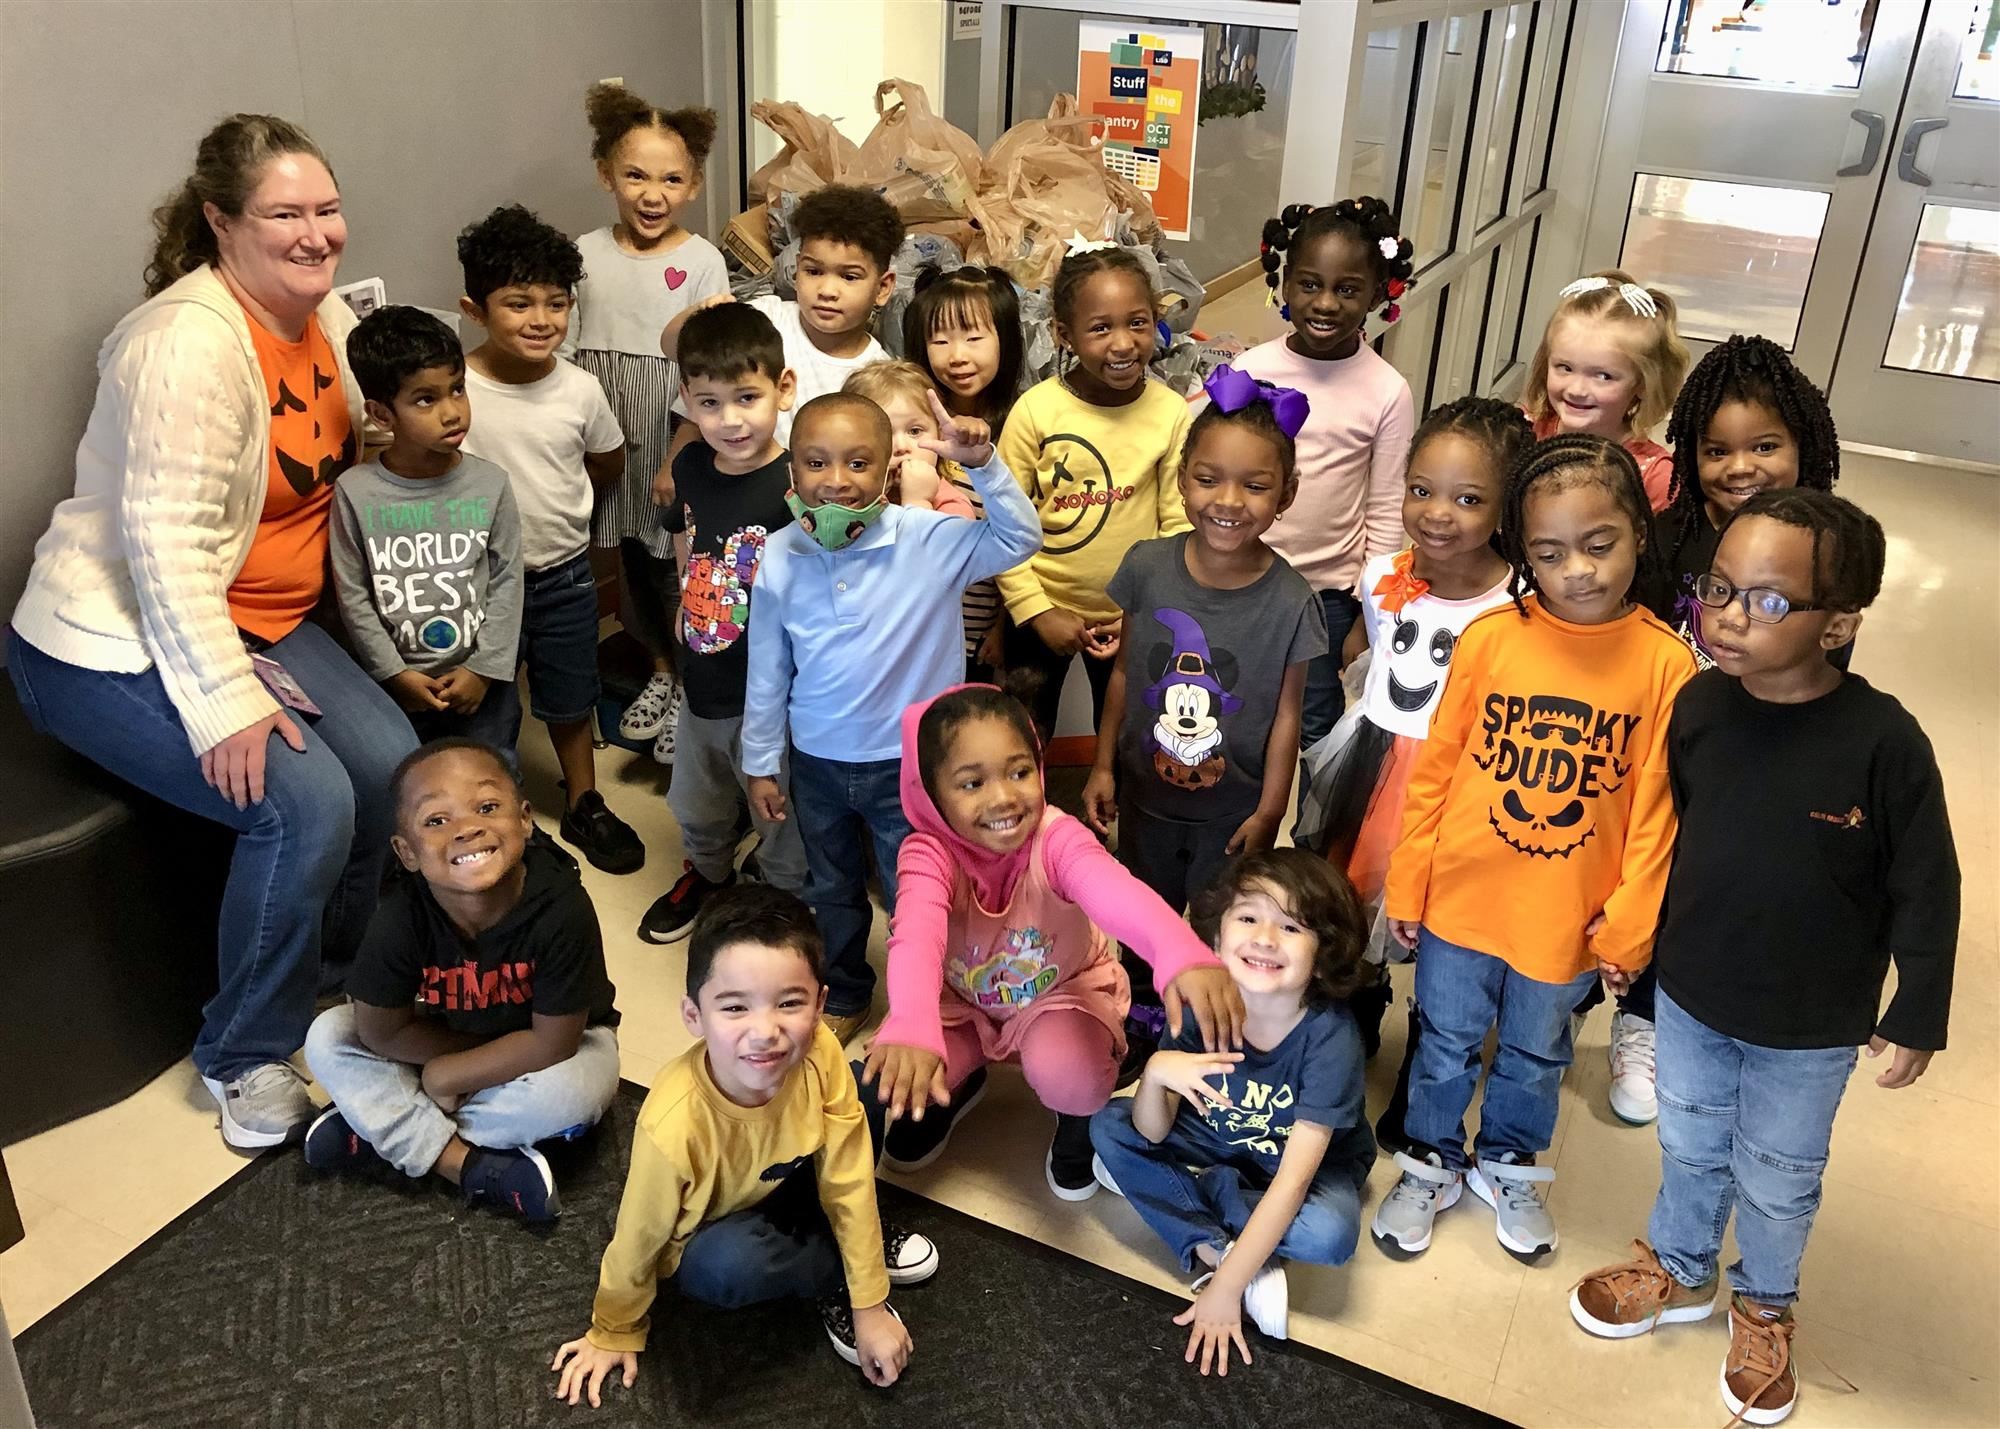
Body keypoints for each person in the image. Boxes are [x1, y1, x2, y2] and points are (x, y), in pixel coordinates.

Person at [5, 114, 418, 1150]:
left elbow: (302, 460)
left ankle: (333, 988)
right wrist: (225, 699)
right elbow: (165, 550)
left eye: (326, 209)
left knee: (390, 764)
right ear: (220, 221)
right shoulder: (183, 345)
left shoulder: (313, 320)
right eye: (286, 213)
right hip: (113, 640)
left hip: (254, 613)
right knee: (304, 805)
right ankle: (241, 1053)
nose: (318, 233)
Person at [1570, 490, 1959, 1426]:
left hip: (1811, 1023)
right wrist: (1640, 951)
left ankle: (1767, 1301)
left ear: (1841, 625)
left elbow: (1928, 884)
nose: (1731, 615)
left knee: (1780, 1174)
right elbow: (1675, 840)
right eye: (1721, 588)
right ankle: (1681, 1264)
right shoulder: (1700, 705)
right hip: (1696, 994)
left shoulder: (1884, 742)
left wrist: (1918, 1012)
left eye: (1771, 602)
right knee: (1690, 1143)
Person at [1370, 435, 1695, 1263]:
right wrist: (1407, 885)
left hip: (1569, 914)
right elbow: (1435, 771)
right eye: (1549, 553)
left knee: (1536, 1049)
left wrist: (1630, 926)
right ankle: (1429, 1161)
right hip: (1462, 898)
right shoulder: (1490, 639)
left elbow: (1659, 811)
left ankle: (1510, 1161)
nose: (1577, 570)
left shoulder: (1666, 664)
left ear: (1639, 536)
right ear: (1524, 552)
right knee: (1442, 1037)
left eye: (1599, 544)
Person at [1592, 333, 1849, 1128]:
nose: (1741, 467)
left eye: (1765, 445)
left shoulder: (1830, 545)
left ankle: (1673, 1021)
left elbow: (1829, 664)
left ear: (1804, 445)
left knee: (1714, 887)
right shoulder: (1670, 536)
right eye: (1717, 449)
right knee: (1642, 875)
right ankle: (1621, 1006)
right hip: (1662, 752)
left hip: (1759, 756)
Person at [550, 886, 939, 1407]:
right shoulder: (672, 1124)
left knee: (865, 1084)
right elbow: (637, 1235)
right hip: (728, 1221)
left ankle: (853, 1256)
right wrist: (612, 1328)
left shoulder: (819, 1047)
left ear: (821, 1004)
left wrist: (872, 1304)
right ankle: (832, 1268)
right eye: (734, 1007)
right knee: (722, 1268)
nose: (766, 1032)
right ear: (694, 1016)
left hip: (793, 1170)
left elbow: (847, 1173)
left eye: (790, 1003)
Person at [742, 392, 1041, 1043]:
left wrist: (984, 464)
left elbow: (1021, 537)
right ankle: (847, 988)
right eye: (816, 462)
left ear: (887, 470)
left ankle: (929, 995)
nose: (836, 479)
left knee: (920, 896)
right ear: (790, 472)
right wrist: (761, 761)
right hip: (818, 763)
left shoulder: (927, 539)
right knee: (832, 889)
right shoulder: (778, 556)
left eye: (858, 462)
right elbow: (767, 670)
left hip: (909, 767)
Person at [863, 686, 1240, 1199]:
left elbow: (1113, 891)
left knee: (1072, 1073)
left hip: (1059, 995)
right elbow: (914, 933)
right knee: (894, 1073)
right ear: (930, 792)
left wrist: (1178, 948)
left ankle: (1077, 1119)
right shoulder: (927, 853)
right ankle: (959, 1082)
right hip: (961, 1004)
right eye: (971, 783)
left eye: (1019, 772)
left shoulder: (1057, 837)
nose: (1002, 798)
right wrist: (910, 1022)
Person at [1296, 396, 1531, 1143]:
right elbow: (1368, 659)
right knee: (1352, 900)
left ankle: (1426, 1069)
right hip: (1371, 766)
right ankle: (1354, 1017)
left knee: (1441, 926)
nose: (1437, 513)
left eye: (1468, 498)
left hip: (1460, 784)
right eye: (1422, 490)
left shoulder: (1517, 599)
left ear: (1507, 506)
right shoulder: (1380, 574)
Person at [1081, 371, 1326, 1069]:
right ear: (1182, 480)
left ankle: (1211, 1025)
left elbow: (1286, 715)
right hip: (1146, 795)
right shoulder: (1147, 567)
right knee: (1140, 915)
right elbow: (1125, 674)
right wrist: (1101, 764)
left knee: (1219, 921)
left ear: (1286, 495)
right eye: (1209, 479)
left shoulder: (1290, 599)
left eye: (1254, 485)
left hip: (1231, 809)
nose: (1228, 501)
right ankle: (1136, 1015)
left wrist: (1271, 807)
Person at [301, 740, 621, 1221]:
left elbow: (553, 1043)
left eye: (487, 807)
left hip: (553, 1048)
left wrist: (448, 1075)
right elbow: (380, 1032)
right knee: (327, 1038)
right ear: (407, 852)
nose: (467, 828)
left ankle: (379, 1129)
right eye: (436, 820)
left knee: (574, 1095)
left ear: (525, 820)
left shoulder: (563, 907)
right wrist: (454, 1063)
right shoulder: (398, 916)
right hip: (444, 1034)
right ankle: (465, 1165)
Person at [1091, 850, 1376, 1367]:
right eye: (1248, 918)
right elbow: (1150, 1131)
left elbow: (1292, 1184)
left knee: (1331, 1235)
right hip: (1214, 1134)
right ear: (1217, 936)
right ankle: (1213, 1245)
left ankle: (1208, 1206)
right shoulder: (1201, 998)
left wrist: (1224, 1292)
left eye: (1291, 927)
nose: (1264, 939)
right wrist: (1157, 1073)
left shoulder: (1332, 1037)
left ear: (1324, 952)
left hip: (1297, 1166)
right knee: (1108, 1129)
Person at [455, 204, 644, 875]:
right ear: (474, 309)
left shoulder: (580, 388)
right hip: (480, 587)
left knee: (570, 698)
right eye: (518, 303)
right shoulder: (455, 388)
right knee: (492, 715)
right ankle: (508, 821)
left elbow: (608, 459)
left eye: (555, 303)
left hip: (563, 575)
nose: (541, 319)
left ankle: (584, 800)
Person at [636, 302, 809, 945]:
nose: (729, 420)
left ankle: (782, 895)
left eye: (746, 397)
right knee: (696, 802)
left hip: (775, 698)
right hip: (703, 681)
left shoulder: (799, 481)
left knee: (780, 815)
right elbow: (687, 535)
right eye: (709, 403)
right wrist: (686, 596)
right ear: (687, 398)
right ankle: (709, 873)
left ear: (782, 390)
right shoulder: (688, 468)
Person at [571, 84, 727, 763]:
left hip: (671, 429)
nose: (652, 192)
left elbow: (708, 374)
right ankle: (660, 670)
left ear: (693, 185)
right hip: (609, 426)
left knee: (673, 565)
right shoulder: (583, 253)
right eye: (635, 174)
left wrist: (674, 456)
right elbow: (571, 354)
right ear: (606, 172)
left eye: (671, 178)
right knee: (630, 558)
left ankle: (691, 685)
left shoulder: (702, 262)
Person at [1238, 197, 1417, 747]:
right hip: (1244, 580)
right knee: (1235, 711)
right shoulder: (1250, 371)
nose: (1326, 303)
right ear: (1285, 283)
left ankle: (1315, 836)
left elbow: (1386, 511)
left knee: (1316, 726)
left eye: (1347, 289)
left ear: (1379, 292)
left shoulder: (1387, 390)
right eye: (1311, 284)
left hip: (1328, 599)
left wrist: (1370, 615)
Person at [995, 243, 1192, 741]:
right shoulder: (1035, 412)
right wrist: (1036, 611)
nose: (1123, 344)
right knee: (1023, 739)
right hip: (1042, 612)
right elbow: (1003, 525)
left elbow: (1178, 526)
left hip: (1131, 618)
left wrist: (1143, 616)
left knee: (1131, 740)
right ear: (1064, 335)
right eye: (1101, 328)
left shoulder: (1170, 413)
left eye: (1138, 323)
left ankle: (1112, 815)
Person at [331, 306, 523, 757]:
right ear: (381, 414)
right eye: (425, 399)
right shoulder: (355, 492)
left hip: (480, 680)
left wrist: (485, 669)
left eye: (457, 390)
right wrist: (393, 674)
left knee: (493, 771)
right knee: (413, 788)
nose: (451, 412)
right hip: (399, 682)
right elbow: (353, 595)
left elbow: (507, 580)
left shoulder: (490, 484)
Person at [661, 184, 901, 447]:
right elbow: (675, 348)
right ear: (797, 268)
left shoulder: (879, 376)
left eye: (849, 277)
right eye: (814, 271)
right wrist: (702, 315)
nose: (827, 291)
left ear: (883, 287)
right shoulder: (766, 318)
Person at [903, 264, 1027, 680]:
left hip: (980, 635)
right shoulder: (914, 429)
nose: (958, 356)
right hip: (914, 628)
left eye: (974, 338)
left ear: (1005, 341)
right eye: (940, 340)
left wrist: (1001, 625)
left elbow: (1024, 536)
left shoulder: (1020, 427)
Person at [1518, 271, 1690, 512]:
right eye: (1565, 368)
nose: (1577, 389)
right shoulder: (1519, 433)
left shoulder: (1655, 478)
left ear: (1642, 384)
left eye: (1603, 376)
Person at [840, 360, 977, 518]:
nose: (901, 447)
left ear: (940, 435)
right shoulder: (846, 496)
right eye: (883, 434)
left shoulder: (952, 506)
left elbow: (928, 543)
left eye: (915, 431)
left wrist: (918, 502)